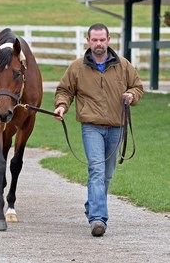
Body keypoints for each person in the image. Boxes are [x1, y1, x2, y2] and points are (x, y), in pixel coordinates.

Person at [54, 23, 143, 237]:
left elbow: (137, 86)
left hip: (116, 127)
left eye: (102, 40)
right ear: (88, 41)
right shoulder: (77, 67)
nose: (99, 44)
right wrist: (61, 106)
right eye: (94, 40)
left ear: (109, 40)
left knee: (107, 174)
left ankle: (92, 205)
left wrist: (131, 96)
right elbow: (64, 90)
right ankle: (98, 219)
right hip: (91, 127)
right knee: (96, 169)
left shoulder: (123, 65)